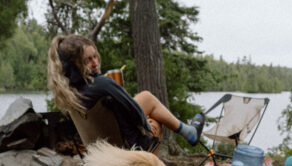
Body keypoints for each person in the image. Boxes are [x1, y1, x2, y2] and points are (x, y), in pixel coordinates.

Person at [47, 34, 204, 150]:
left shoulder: (68, 90)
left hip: (99, 150)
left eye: (95, 56)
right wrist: (145, 123)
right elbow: (132, 109)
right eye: (87, 60)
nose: (95, 63)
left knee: (145, 98)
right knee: (154, 121)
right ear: (74, 64)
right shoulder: (102, 83)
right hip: (124, 148)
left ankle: (188, 131)